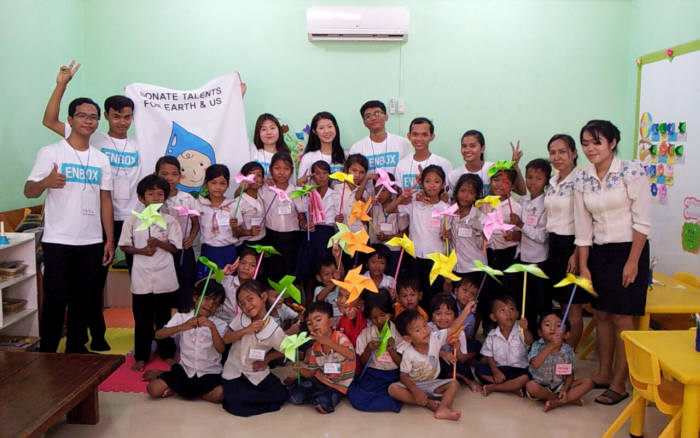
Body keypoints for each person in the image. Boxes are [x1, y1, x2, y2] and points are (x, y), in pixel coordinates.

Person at [42, 62, 138, 350]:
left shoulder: (138, 143)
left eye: (128, 117)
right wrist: (62, 85)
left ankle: (144, 337)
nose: (122, 121)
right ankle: (94, 334)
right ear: (105, 117)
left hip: (132, 219)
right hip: (98, 221)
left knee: (141, 279)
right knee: (93, 285)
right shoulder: (91, 137)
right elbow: (49, 121)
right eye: (117, 116)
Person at [25, 96, 114, 353]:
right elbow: (28, 191)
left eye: (93, 116)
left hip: (92, 241)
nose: (88, 120)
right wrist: (45, 183)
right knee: (55, 300)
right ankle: (48, 352)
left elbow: (105, 200)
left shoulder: (101, 158)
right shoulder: (51, 152)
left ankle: (76, 349)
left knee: (83, 301)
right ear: (71, 119)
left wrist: (109, 239)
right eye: (82, 115)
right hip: (58, 241)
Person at [573, 120, 651, 405]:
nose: (590, 148)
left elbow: (642, 221)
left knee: (623, 317)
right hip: (598, 252)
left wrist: (633, 262)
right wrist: (584, 266)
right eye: (586, 143)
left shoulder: (632, 170)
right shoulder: (582, 177)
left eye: (597, 142)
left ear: (612, 143)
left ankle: (621, 381)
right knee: (601, 314)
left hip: (630, 250)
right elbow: (583, 228)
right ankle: (604, 373)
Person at [118, 175, 182, 371]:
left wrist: (159, 244)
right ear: (141, 198)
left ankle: (167, 353)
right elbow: (125, 246)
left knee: (164, 319)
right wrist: (142, 251)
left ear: (165, 197)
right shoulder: (132, 221)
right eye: (150, 193)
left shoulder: (170, 221)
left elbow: (176, 249)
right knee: (142, 320)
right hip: (141, 279)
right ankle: (141, 355)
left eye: (160, 194)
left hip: (165, 279)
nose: (155, 197)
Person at [387, 303, 473, 421]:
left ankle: (443, 408)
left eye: (424, 325)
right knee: (393, 389)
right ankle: (428, 403)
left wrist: (466, 311)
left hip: (432, 384)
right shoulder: (408, 352)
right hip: (414, 385)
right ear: (408, 338)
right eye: (418, 330)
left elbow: (453, 329)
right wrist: (415, 390)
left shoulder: (435, 338)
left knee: (454, 383)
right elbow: (403, 375)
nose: (424, 331)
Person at [146, 281, 227, 403]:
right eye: (206, 299)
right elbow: (158, 335)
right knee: (153, 389)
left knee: (220, 394)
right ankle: (192, 391)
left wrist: (212, 328)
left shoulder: (220, 324)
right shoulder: (182, 317)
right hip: (185, 370)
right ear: (195, 298)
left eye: (215, 303)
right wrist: (182, 327)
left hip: (209, 372)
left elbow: (221, 349)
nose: (210, 305)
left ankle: (182, 391)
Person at [221, 280, 289, 416]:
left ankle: (250, 400)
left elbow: (286, 350)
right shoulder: (241, 318)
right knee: (235, 402)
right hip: (234, 372)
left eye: (250, 299)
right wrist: (246, 330)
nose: (247, 306)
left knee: (281, 394)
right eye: (242, 304)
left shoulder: (274, 329)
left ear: (263, 297)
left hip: (255, 372)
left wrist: (267, 359)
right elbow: (226, 339)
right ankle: (249, 400)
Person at [544, 134, 585, 349]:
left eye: (562, 151)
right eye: (553, 152)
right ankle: (561, 351)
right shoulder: (553, 180)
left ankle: (571, 355)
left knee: (573, 306)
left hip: (573, 245)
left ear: (574, 153)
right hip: (554, 245)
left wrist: (577, 253)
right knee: (562, 303)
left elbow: (586, 219)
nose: (557, 156)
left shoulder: (580, 179)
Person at [386, 165, 450, 302]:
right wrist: (402, 196)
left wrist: (447, 235)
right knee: (416, 296)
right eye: (428, 181)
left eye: (437, 181)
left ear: (443, 184)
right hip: (414, 258)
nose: (432, 185)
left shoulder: (445, 208)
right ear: (421, 183)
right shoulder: (415, 204)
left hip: (436, 259)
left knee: (433, 295)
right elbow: (389, 209)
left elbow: (449, 234)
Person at [288, 301, 356, 414]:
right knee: (295, 397)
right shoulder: (315, 347)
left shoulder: (340, 338)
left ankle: (318, 397)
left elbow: (351, 355)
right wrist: (300, 369)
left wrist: (328, 342)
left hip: (337, 386)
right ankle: (314, 395)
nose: (314, 325)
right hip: (319, 380)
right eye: (309, 323)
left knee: (324, 404)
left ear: (330, 322)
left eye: (318, 320)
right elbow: (311, 373)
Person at [347, 289, 405, 412]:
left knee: (397, 389)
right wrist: (369, 348)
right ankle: (389, 402)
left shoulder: (399, 332)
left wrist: (391, 350)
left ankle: (390, 400)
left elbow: (402, 364)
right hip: (373, 374)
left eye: (382, 315)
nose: (379, 321)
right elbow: (362, 361)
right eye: (374, 318)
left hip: (393, 375)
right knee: (354, 392)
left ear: (391, 313)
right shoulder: (366, 333)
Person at [511, 158, 552, 332]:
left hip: (538, 261)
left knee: (540, 303)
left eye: (538, 178)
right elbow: (518, 232)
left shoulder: (547, 204)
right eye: (529, 177)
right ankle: (525, 338)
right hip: (521, 259)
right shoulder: (523, 201)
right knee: (523, 302)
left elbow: (542, 236)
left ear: (547, 181)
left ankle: (539, 339)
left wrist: (521, 225)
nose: (532, 182)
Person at [156, 155, 200, 312]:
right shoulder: (155, 199)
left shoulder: (187, 198)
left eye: (174, 174)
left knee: (185, 285)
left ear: (180, 176)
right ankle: (163, 326)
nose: (170, 178)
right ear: (157, 174)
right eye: (164, 174)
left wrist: (191, 238)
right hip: (162, 250)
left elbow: (196, 224)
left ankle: (184, 320)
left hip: (183, 250)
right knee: (163, 290)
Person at [525, 311, 594, 412]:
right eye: (547, 325)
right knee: (530, 386)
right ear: (540, 332)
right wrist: (551, 346)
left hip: (559, 385)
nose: (552, 328)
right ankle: (561, 400)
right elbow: (535, 364)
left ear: (566, 334)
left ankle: (558, 401)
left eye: (558, 325)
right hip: (541, 386)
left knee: (589, 382)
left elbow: (569, 375)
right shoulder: (536, 345)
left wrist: (564, 389)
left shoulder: (567, 351)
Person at [295, 160, 340, 293]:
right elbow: (300, 209)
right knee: (310, 276)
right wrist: (299, 184)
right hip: (311, 235)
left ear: (330, 175)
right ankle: (310, 305)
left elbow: (339, 217)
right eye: (317, 173)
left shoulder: (335, 194)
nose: (321, 176)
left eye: (325, 173)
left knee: (327, 274)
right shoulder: (308, 193)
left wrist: (339, 220)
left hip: (327, 235)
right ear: (312, 176)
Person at [475, 294, 533, 397]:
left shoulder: (521, 332)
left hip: (518, 370)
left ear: (517, 314)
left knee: (527, 377)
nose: (508, 313)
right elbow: (489, 356)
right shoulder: (492, 335)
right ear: (494, 317)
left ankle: (494, 387)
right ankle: (511, 387)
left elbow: (529, 341)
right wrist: (495, 371)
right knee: (479, 369)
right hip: (500, 369)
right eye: (502, 310)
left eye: (511, 309)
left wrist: (526, 329)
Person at [259, 152, 304, 282]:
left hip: (292, 238)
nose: (281, 172)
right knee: (273, 270)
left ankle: (288, 299)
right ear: (271, 170)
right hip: (271, 236)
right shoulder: (265, 189)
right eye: (277, 168)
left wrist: (304, 221)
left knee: (290, 270)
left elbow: (301, 212)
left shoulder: (295, 191)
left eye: (286, 168)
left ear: (291, 171)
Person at [428, 294, 482, 392]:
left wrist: (457, 348)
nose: (443, 317)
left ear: (455, 317)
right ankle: (445, 379)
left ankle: (469, 380)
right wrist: (443, 354)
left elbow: (461, 359)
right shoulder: (428, 329)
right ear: (431, 316)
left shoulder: (459, 332)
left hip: (450, 362)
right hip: (433, 361)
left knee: (461, 366)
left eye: (448, 313)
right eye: (438, 313)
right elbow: (424, 349)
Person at [447, 130, 526, 196]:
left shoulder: (494, 168)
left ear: (482, 148)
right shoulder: (454, 175)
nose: (467, 150)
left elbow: (521, 192)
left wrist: (515, 165)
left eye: (472, 146)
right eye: (464, 146)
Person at [484, 169, 522, 304]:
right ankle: (490, 324)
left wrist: (512, 236)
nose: (499, 185)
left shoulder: (516, 207)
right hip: (489, 254)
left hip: (507, 255)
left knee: (506, 293)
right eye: (495, 180)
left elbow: (520, 235)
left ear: (512, 186)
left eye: (505, 182)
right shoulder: (486, 204)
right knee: (489, 293)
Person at [349, 100, 412, 175]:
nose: (373, 118)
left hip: (397, 187)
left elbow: (409, 169)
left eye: (377, 113)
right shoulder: (357, 148)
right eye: (368, 116)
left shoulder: (403, 143)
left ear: (386, 117)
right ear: (364, 123)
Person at [197, 164, 237, 278]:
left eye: (222, 183)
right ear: (206, 183)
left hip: (228, 252)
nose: (218, 187)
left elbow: (238, 233)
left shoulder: (233, 204)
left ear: (228, 185)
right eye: (213, 183)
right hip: (208, 252)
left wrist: (235, 227)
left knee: (228, 282)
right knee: (208, 285)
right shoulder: (200, 205)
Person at [367, 171, 409, 276]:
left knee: (390, 279)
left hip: (393, 251)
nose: (379, 194)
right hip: (374, 250)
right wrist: (368, 205)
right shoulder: (373, 206)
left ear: (392, 190)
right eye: (377, 190)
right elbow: (362, 219)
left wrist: (388, 237)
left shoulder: (399, 208)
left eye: (384, 190)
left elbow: (404, 234)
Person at [394, 117, 452, 190]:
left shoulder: (443, 163)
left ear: (432, 137)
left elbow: (446, 196)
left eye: (424, 135)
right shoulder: (401, 164)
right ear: (409, 136)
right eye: (415, 134)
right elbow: (399, 193)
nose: (419, 139)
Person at [448, 174, 486, 279]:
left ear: (476, 196)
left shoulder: (479, 216)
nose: (465, 196)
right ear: (457, 191)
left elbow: (483, 244)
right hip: (455, 267)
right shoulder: (450, 212)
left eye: (471, 193)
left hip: (474, 267)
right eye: (462, 191)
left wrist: (482, 235)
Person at [297, 111, 347, 182]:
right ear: (315, 131)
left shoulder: (346, 155)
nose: (326, 131)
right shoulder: (308, 158)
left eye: (330, 126)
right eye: (321, 128)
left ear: (335, 127)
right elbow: (301, 186)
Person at [231, 161, 266, 250]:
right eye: (251, 175)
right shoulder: (239, 202)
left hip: (263, 241)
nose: (255, 178)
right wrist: (249, 232)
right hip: (246, 245)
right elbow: (235, 232)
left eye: (259, 175)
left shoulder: (261, 196)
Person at [249, 113, 291, 177]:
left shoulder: (287, 156)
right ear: (258, 133)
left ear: (279, 130)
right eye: (264, 129)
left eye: (272, 128)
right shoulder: (253, 153)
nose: (269, 132)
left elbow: (291, 184)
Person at [313, 258, 343, 323]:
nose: (331, 277)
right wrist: (334, 283)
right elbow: (319, 299)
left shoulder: (340, 287)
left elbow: (342, 275)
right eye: (327, 274)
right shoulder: (319, 289)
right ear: (319, 278)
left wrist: (337, 257)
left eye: (333, 273)